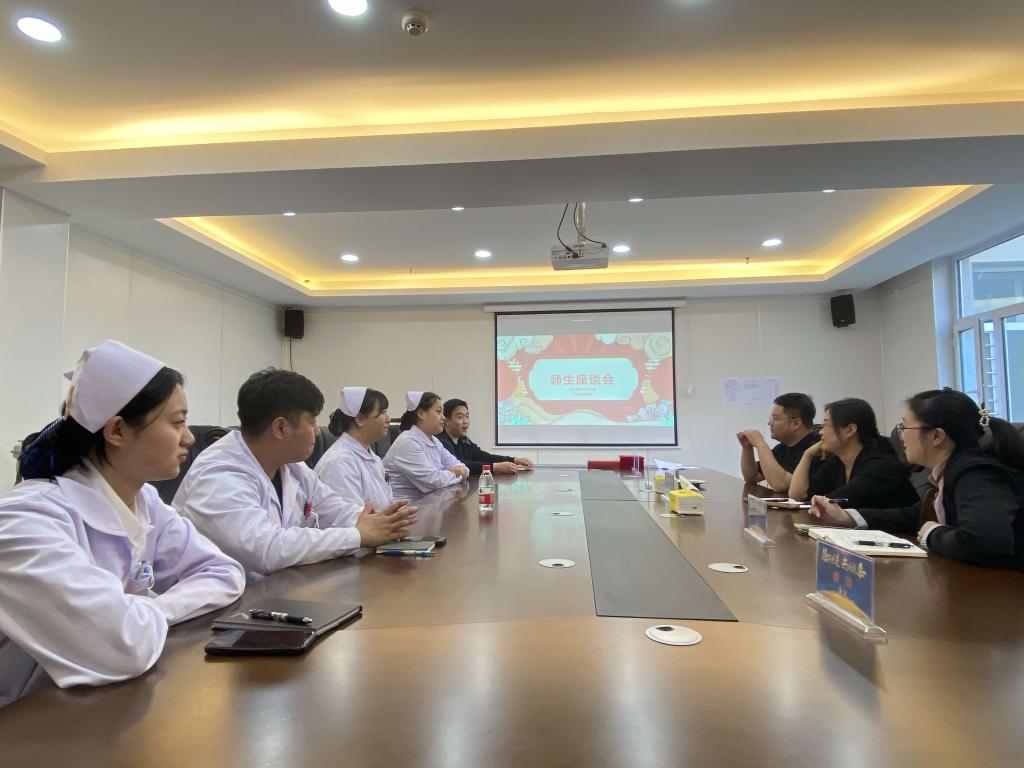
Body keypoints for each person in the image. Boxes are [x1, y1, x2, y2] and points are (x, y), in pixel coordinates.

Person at [0, 340, 245, 707]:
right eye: (177, 422)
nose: (190, 437)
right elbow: (121, 646)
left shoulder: (144, 500)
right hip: (23, 721)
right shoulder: (24, 523)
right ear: (116, 431)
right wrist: (138, 614)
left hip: (88, 707)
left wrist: (147, 610)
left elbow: (224, 572)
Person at [173, 369, 416, 576]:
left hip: (276, 591)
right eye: (312, 422)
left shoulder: (292, 466)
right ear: (280, 428)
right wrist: (358, 535)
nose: (317, 432)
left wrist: (375, 522)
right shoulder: (220, 474)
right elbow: (266, 549)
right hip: (217, 609)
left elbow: (333, 508)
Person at [810, 389, 1024, 569]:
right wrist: (847, 517)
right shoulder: (950, 471)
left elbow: (984, 543)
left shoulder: (977, 474)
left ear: (937, 436)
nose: (900, 435)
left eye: (904, 427)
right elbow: (914, 515)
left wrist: (934, 533)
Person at [789, 397, 918, 508]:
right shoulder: (839, 461)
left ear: (850, 430)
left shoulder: (880, 467)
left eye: (826, 425)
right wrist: (807, 455)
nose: (820, 432)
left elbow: (826, 505)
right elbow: (797, 495)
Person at [315, 387, 395, 510]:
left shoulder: (374, 459)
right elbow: (351, 517)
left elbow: (387, 502)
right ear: (360, 419)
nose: (388, 419)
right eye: (382, 412)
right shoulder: (339, 462)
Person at [384, 391, 469, 500]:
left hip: (427, 503)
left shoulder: (434, 441)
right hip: (404, 506)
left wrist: (459, 471)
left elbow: (463, 468)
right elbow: (433, 482)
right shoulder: (408, 442)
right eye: (439, 412)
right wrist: (457, 473)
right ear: (421, 413)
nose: (443, 417)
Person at [737, 393, 819, 492]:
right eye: (770, 418)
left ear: (796, 423)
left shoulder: (815, 448)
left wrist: (760, 444)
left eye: (775, 418)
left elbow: (781, 484)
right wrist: (747, 448)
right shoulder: (783, 447)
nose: (769, 423)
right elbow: (752, 477)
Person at [438, 398, 534, 476]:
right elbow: (460, 465)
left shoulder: (463, 439)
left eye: (467, 416)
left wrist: (515, 460)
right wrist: (495, 467)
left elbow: (484, 456)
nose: (466, 421)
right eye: (460, 417)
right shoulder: (440, 441)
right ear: (447, 421)